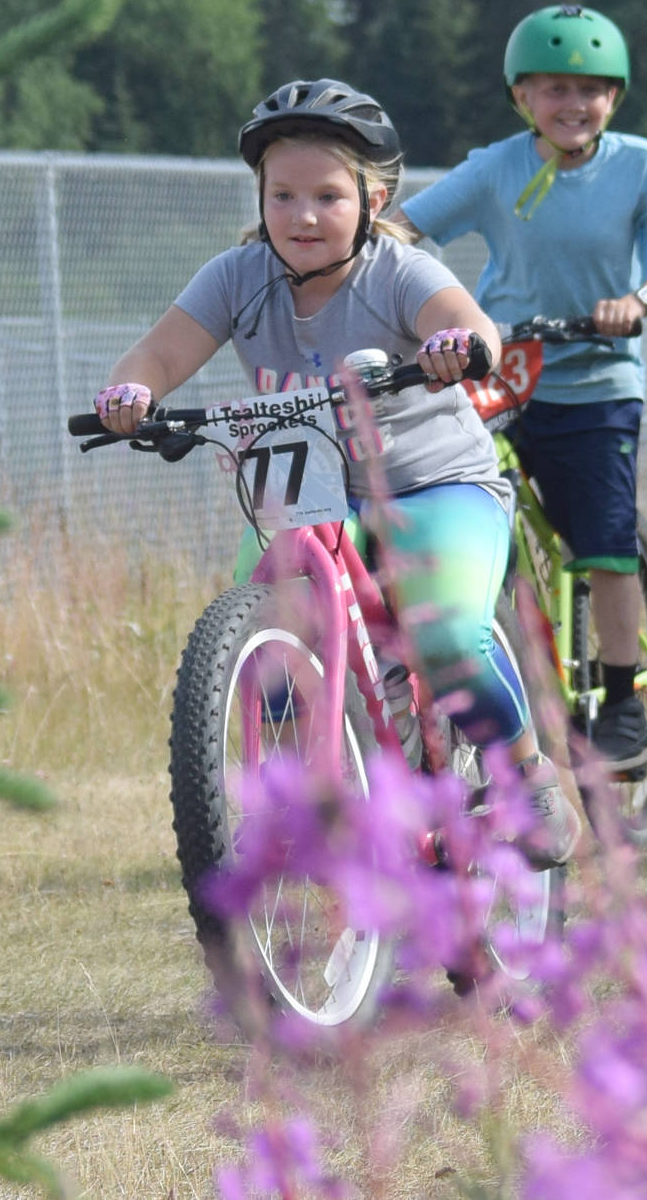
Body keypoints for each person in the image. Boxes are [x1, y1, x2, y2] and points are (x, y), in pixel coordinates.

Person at [94, 78, 581, 867]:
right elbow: (157, 354)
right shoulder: (237, 278)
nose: (303, 216)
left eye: (326, 195)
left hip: (434, 483)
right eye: (281, 195)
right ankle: (295, 803)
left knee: (450, 635)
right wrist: (133, 392)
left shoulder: (396, 271)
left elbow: (466, 321)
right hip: (313, 492)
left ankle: (528, 774)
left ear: (373, 196)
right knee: (265, 645)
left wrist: (458, 347)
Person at [396, 5, 647, 774]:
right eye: (555, 89)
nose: (575, 105)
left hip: (596, 379)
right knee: (453, 504)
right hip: (502, 377)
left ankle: (624, 702)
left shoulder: (639, 166)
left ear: (616, 99)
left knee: (604, 541)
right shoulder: (497, 168)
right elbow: (407, 226)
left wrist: (640, 302)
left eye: (593, 91)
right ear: (521, 96)